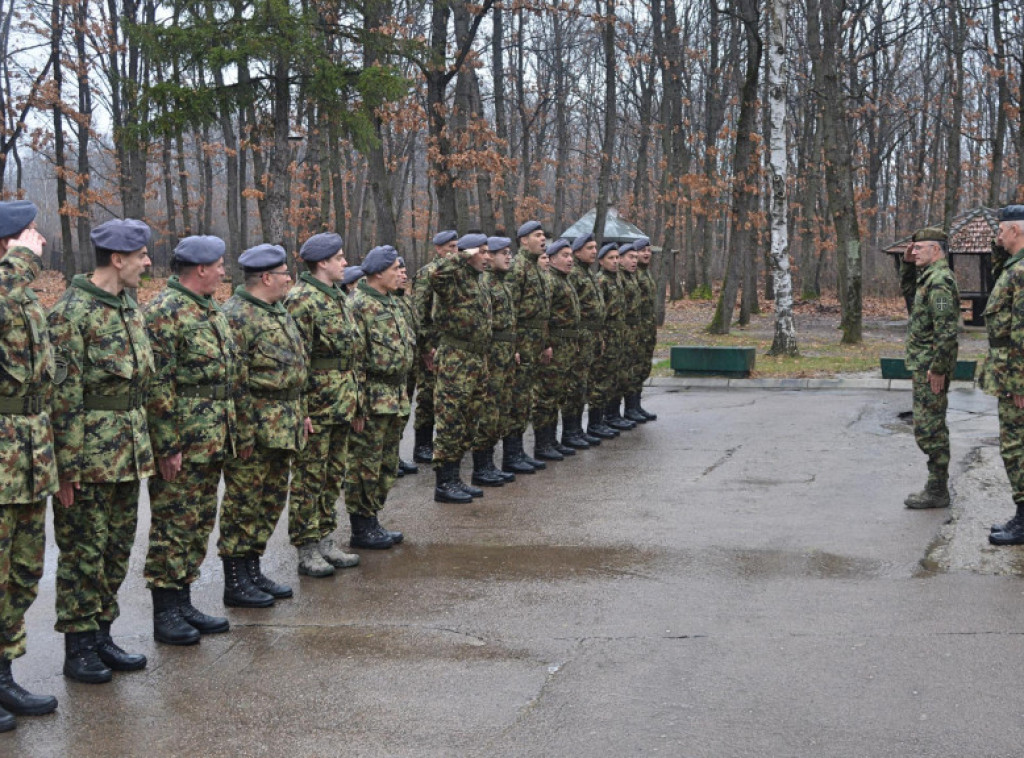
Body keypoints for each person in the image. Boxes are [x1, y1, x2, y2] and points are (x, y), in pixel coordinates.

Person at [47, 218, 154, 684]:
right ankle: (79, 647)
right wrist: (66, 470)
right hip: (88, 458)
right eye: (142, 256)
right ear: (117, 259)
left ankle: (102, 633)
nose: (148, 263)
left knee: (115, 550)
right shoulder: (71, 313)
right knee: (82, 555)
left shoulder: (127, 304)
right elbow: (62, 399)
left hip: (127, 453)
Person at [144, 235, 238, 646]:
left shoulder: (210, 308)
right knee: (172, 527)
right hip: (182, 441)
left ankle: (183, 601)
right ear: (200, 269)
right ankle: (165, 612)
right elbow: (157, 385)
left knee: (198, 523)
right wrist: (167, 446)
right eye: (218, 265)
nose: (223, 271)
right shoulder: (165, 312)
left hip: (212, 438)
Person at [218, 244, 309, 607]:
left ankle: (253, 571)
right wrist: (242, 433)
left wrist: (300, 411)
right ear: (267, 277)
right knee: (243, 503)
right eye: (286, 274)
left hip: (282, 424)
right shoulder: (236, 316)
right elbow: (234, 382)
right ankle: (235, 580)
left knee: (269, 501)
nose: (290, 279)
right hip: (253, 428)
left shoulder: (277, 311)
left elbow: (293, 371)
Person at [0, 201, 59, 729]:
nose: (38, 242)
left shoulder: (25, 301)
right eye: (27, 234)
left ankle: (3, 675)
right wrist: (17, 263)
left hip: (27, 458)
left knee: (21, 572)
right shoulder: (8, 288)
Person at [283, 233, 362, 578]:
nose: (345, 263)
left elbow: (351, 355)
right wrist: (300, 411)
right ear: (322, 263)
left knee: (332, 476)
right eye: (340, 258)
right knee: (308, 478)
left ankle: (326, 538)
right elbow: (294, 362)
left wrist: (356, 402)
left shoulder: (338, 297)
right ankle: (306, 546)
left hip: (341, 401)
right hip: (316, 405)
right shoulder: (301, 300)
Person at [345, 246, 413, 548]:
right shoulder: (358, 305)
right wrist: (358, 406)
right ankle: (361, 527)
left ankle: (372, 519)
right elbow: (354, 362)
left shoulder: (392, 301)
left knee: (387, 463)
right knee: (365, 465)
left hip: (395, 394)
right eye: (396, 268)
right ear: (377, 273)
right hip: (372, 397)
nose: (401, 273)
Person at [430, 233, 493, 502]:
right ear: (468, 255)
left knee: (469, 420)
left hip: (476, 358)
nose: (488, 257)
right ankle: (444, 483)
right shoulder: (453, 278)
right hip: (456, 357)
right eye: (482, 252)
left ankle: (456, 477)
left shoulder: (478, 280)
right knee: (451, 420)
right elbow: (435, 274)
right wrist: (462, 253)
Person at [900, 228, 959, 510]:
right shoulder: (927, 277)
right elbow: (909, 294)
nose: (916, 251)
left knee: (930, 430)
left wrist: (938, 368)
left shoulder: (940, 283)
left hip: (931, 368)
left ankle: (937, 490)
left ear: (936, 250)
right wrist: (906, 265)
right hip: (923, 364)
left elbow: (946, 331)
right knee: (928, 428)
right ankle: (937, 486)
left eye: (920, 247)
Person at [984, 206, 1024, 544]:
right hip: (1009, 373)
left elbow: (1023, 332)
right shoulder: (1013, 267)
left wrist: (1019, 384)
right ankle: (1021, 516)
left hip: (1017, 378)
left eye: (1000, 231)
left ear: (1016, 230)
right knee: (1015, 447)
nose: (997, 237)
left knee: (1017, 448)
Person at [472, 236, 522, 483]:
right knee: (488, 411)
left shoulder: (503, 283)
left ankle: (490, 463)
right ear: (488, 256)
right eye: (502, 252)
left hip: (504, 354)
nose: (508, 256)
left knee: (501, 410)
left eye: (509, 252)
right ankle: (481, 467)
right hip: (491, 357)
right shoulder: (485, 284)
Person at [505, 221, 551, 473]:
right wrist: (515, 346)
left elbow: (541, 314)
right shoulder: (519, 268)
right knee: (518, 399)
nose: (543, 239)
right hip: (522, 341)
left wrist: (544, 344)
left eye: (543, 235)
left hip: (535, 342)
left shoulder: (536, 268)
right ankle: (512, 454)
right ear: (524, 240)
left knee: (527, 398)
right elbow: (510, 310)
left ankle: (520, 451)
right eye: (537, 235)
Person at [412, 231, 459, 464]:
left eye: (457, 246)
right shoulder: (427, 274)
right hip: (432, 346)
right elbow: (420, 312)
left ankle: (445, 443)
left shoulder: (457, 273)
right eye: (450, 246)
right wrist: (426, 347)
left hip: (451, 345)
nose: (455, 251)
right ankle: (422, 443)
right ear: (438, 249)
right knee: (428, 396)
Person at [534, 239, 581, 460]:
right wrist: (546, 345)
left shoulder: (565, 280)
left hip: (567, 345)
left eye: (571, 255)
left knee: (559, 393)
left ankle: (552, 439)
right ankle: (543, 444)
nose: (570, 259)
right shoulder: (550, 281)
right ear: (551, 259)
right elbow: (543, 316)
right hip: (555, 345)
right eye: (564, 255)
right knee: (547, 395)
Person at [564, 233, 607, 447]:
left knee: (584, 383)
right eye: (589, 248)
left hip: (591, 335)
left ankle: (578, 430)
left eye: (594, 247)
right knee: (575, 384)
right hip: (580, 336)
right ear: (577, 251)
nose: (594, 251)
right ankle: (570, 431)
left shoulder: (588, 273)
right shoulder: (574, 274)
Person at [592, 243, 627, 435]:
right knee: (602, 378)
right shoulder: (601, 280)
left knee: (614, 377)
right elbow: (600, 313)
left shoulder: (617, 279)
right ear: (601, 261)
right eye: (611, 258)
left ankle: (611, 415)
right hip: (606, 335)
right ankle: (596, 422)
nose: (615, 261)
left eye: (616, 258)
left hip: (617, 335)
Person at [394, 257, 419, 477]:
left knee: (404, 411)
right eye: (399, 271)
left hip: (410, 365)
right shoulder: (388, 301)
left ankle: (395, 455)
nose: (403, 275)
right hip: (395, 369)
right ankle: (391, 458)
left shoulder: (406, 300)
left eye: (404, 271)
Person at [632, 236, 658, 421]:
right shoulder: (634, 274)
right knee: (633, 367)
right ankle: (630, 407)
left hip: (647, 327)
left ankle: (636, 405)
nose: (646, 253)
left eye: (648, 250)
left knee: (642, 366)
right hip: (636, 328)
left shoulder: (646, 273)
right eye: (642, 251)